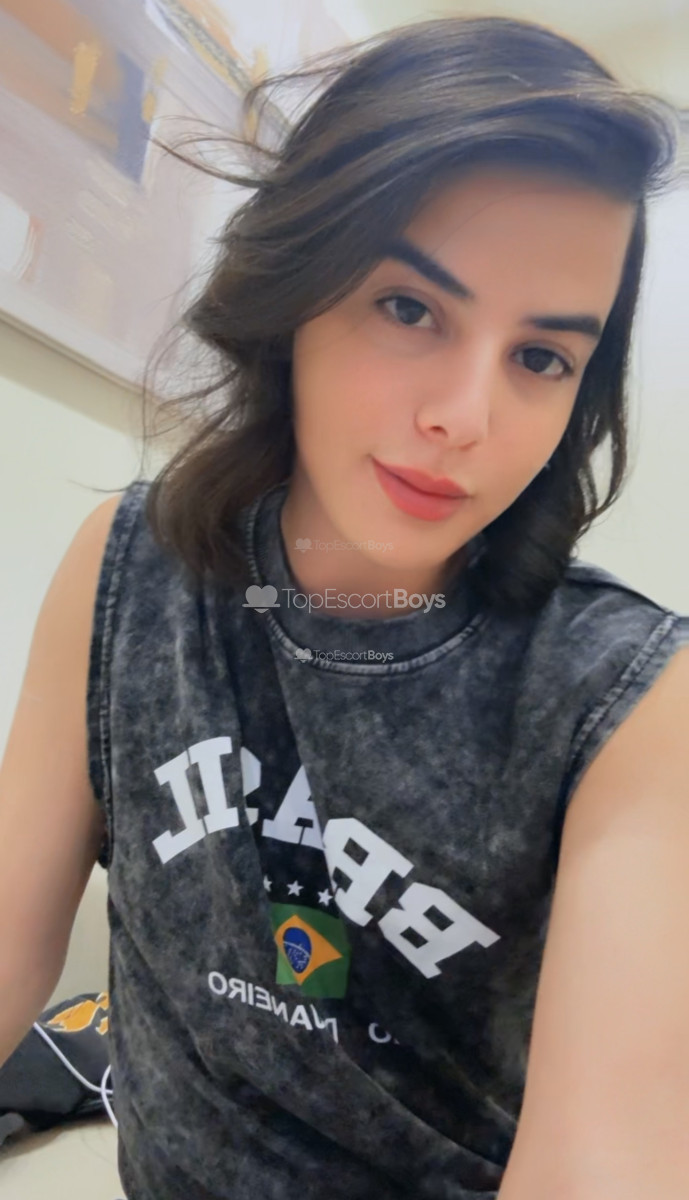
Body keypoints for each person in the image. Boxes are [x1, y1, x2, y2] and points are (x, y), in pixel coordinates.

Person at [1, 14, 688, 1200]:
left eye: (539, 358)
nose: (464, 417)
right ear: (299, 289)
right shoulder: (128, 567)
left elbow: (603, 1160)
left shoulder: (626, 699)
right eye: (410, 308)